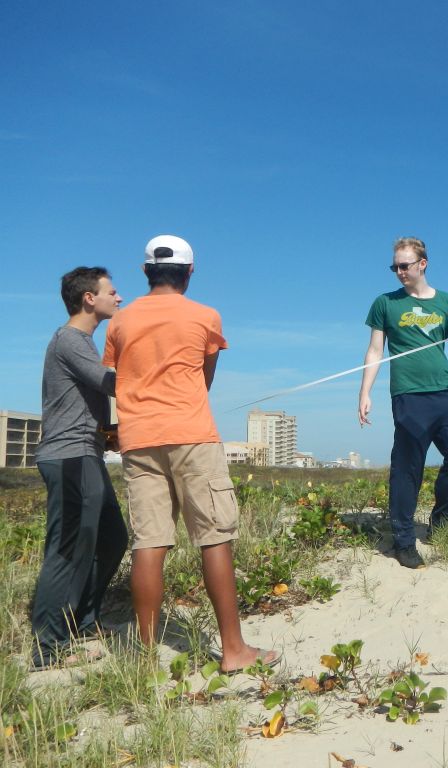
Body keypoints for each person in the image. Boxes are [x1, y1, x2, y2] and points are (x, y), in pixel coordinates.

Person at [103, 235, 278, 672]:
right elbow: (205, 377)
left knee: (150, 542)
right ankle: (233, 651)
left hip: (138, 437)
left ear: (145, 271)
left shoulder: (120, 322)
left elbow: (113, 377)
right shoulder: (205, 315)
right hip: (192, 434)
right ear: (190, 272)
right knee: (214, 537)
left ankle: (143, 657)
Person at [358, 237, 448, 569]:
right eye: (395, 267)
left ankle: (443, 523)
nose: (399, 272)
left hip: (446, 393)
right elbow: (375, 351)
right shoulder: (385, 303)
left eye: (405, 265)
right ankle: (403, 540)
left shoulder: (446, 302)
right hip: (408, 395)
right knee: (407, 467)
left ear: (422, 264)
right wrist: (365, 392)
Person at [31, 267, 128, 670]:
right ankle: (47, 648)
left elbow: (93, 395)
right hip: (69, 457)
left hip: (87, 454)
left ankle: (82, 623)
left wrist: (109, 432)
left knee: (110, 539)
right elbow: (111, 383)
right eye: (112, 291)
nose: (118, 298)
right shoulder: (70, 340)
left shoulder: (82, 342)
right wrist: (169, 373)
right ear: (90, 298)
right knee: (67, 549)